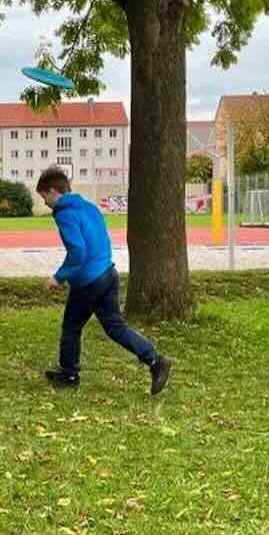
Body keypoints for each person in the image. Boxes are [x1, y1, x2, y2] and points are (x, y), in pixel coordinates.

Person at [35, 166, 172, 395]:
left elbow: (78, 250)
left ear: (53, 191)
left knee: (71, 327)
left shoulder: (65, 213)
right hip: (108, 273)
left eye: (44, 197)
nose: (45, 203)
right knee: (115, 327)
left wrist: (59, 277)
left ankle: (69, 375)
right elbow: (99, 240)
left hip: (88, 281)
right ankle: (156, 361)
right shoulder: (89, 207)